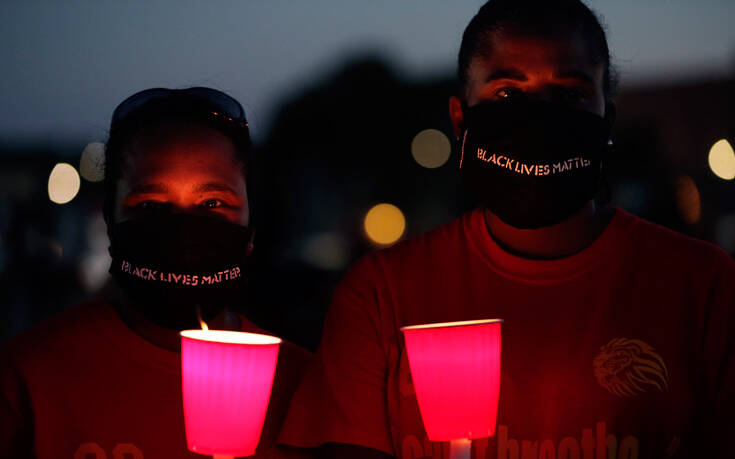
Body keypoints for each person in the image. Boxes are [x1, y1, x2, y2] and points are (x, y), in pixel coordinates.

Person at [276, 1, 735, 458]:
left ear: (606, 122)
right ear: (461, 120)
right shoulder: (379, 296)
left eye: (570, 94)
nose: (537, 119)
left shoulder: (704, 285)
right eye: (507, 95)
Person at [1, 87, 311, 458]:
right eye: (150, 205)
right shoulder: (26, 380)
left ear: (252, 223)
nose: (183, 229)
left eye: (214, 203)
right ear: (108, 219)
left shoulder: (308, 390)